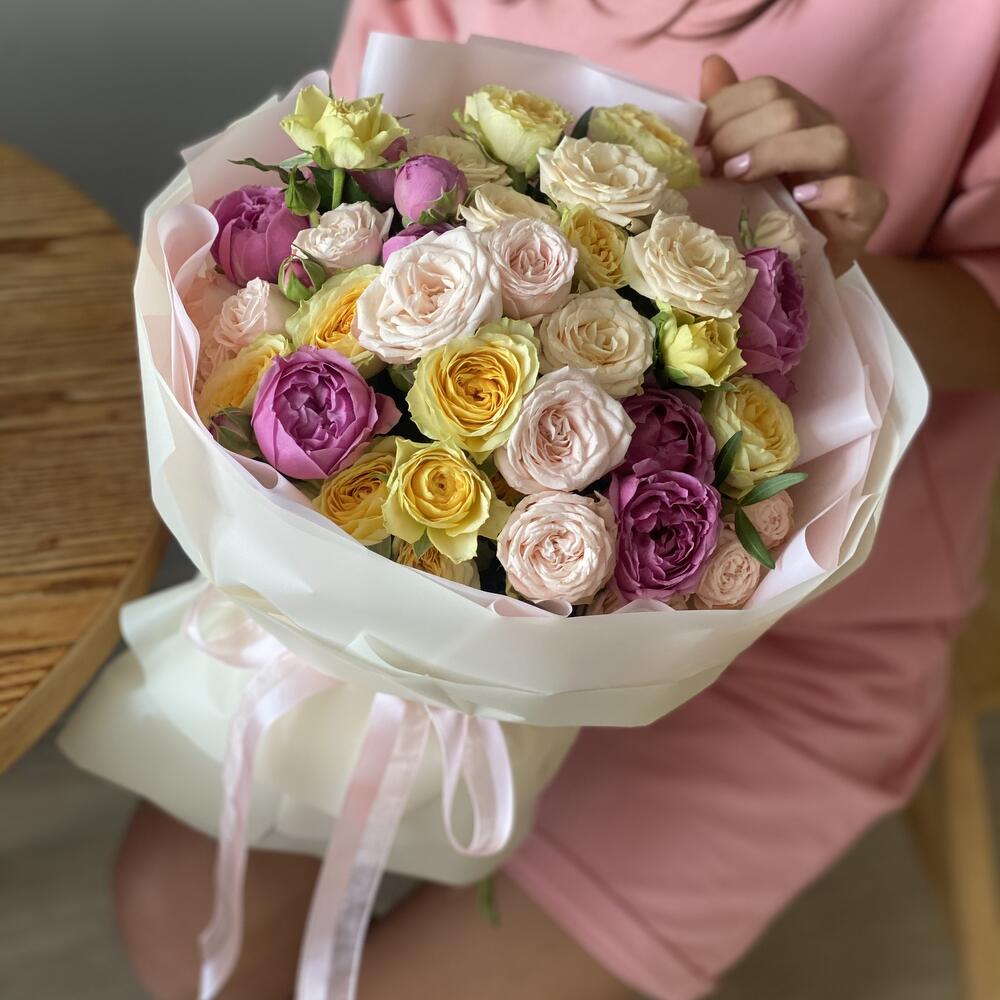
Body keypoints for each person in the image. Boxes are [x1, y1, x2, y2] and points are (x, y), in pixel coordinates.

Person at [113, 1, 1000, 997]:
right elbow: (363, 175)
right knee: (171, 903)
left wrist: (825, 278)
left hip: (795, 641)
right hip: (422, 597)